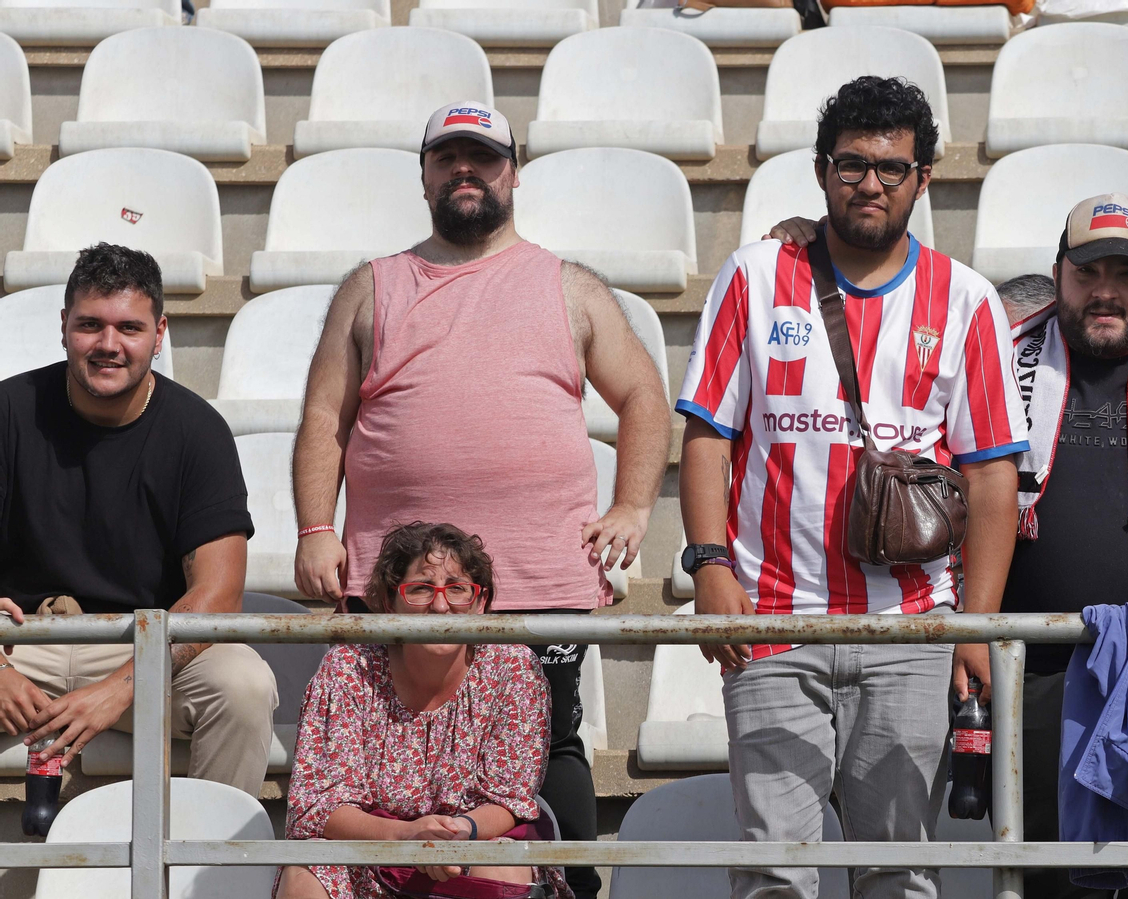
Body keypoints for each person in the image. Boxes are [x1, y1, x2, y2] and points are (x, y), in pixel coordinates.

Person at [766, 194, 1128, 899]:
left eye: (1127, 274)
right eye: (1088, 271)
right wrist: (818, 247)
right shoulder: (988, 362)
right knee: (1050, 881)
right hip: (1035, 674)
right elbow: (879, 352)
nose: (1106, 290)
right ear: (1058, 273)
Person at [290, 102, 671, 899]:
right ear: (424, 173)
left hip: (538, 580)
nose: (466, 171)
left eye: (483, 157)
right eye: (449, 157)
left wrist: (634, 506)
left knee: (545, 756)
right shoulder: (371, 286)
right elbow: (325, 416)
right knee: (383, 760)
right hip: (401, 586)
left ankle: (570, 890)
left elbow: (644, 395)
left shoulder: (569, 285)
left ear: (514, 172)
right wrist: (317, 527)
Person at [678, 75, 1029, 899]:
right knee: (774, 872)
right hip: (768, 617)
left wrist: (971, 627)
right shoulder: (755, 275)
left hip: (909, 627)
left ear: (924, 179)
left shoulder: (968, 299)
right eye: (851, 164)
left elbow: (991, 479)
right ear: (821, 170)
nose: (870, 182)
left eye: (892, 168)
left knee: (897, 871)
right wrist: (708, 565)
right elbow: (706, 436)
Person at [0, 243, 276, 795]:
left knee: (243, 685)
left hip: (143, 639)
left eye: (129, 327)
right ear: (62, 327)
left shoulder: (198, 432)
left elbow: (219, 597)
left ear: (160, 332)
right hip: (18, 639)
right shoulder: (7, 411)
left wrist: (125, 685)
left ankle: (208, 870)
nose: (108, 345)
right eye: (89, 325)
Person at [275, 521, 573, 899]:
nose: (440, 606)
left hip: (471, 839)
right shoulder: (348, 668)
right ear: (389, 603)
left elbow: (509, 798)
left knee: (502, 868)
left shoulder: (513, 667)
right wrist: (406, 837)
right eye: (420, 589)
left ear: (481, 603)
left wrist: (456, 835)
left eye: (457, 590)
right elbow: (322, 803)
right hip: (369, 849)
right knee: (306, 872)